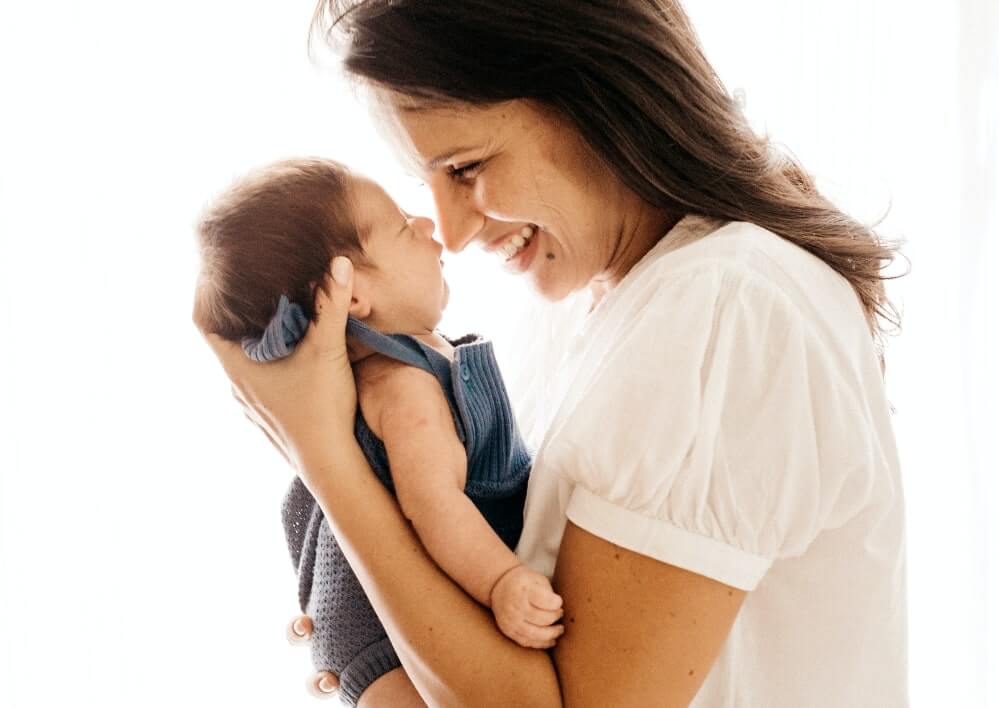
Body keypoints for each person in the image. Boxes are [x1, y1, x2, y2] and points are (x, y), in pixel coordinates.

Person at [201, 1, 908, 705]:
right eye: (428, 183)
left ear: (595, 100)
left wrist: (323, 455)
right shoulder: (586, 304)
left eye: (468, 167)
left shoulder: (723, 306)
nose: (448, 232)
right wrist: (388, 624)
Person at [193, 158, 563, 706]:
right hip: (380, 635)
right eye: (400, 224)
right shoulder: (401, 385)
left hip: (364, 612)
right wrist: (501, 582)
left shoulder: (400, 368)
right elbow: (433, 505)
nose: (428, 225)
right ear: (351, 293)